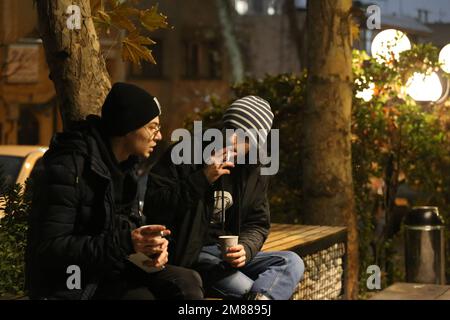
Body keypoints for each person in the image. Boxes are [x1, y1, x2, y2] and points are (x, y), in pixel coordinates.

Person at [25, 83, 203, 300]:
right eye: (152, 127)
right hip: (75, 279)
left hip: (112, 265)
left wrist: (150, 247)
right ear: (128, 127)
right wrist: (126, 243)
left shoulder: (127, 167)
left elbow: (125, 227)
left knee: (187, 282)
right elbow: (50, 248)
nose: (158, 136)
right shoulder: (70, 166)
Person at [145, 96, 304, 300]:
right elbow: (155, 205)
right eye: (230, 130)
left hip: (225, 255)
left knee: (291, 261)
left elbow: (258, 223)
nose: (232, 140)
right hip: (192, 255)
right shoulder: (185, 153)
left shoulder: (256, 169)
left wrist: (245, 249)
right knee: (248, 290)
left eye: (244, 137)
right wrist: (203, 178)